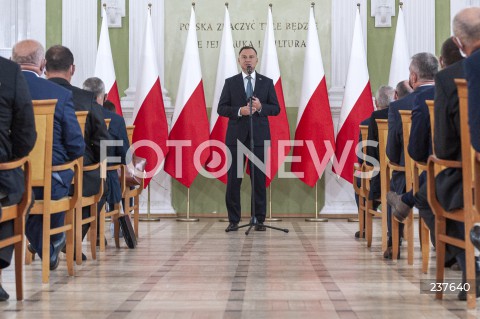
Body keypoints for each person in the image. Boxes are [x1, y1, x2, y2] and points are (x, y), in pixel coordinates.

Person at [12, 40, 85, 270]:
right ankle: (50, 242)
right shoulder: (59, 94)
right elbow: (76, 146)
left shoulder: (5, 90)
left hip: (10, 179)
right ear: (42, 64)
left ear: (13, 62)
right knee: (53, 183)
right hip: (50, 182)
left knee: (22, 192)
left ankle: (46, 242)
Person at [45, 45, 110, 260]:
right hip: (77, 172)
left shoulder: (29, 92)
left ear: (45, 67)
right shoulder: (85, 98)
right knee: (102, 185)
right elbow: (102, 139)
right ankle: (66, 240)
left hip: (33, 174)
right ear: (72, 69)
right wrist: (101, 165)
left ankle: (41, 238)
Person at [218, 46, 280, 232]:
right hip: (236, 139)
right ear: (239, 61)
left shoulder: (267, 83)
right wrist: (239, 111)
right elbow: (221, 108)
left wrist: (261, 107)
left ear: (257, 60)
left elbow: (276, 109)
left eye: (251, 57)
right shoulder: (230, 82)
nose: (248, 60)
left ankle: (258, 219)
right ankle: (234, 220)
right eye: (244, 57)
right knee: (234, 180)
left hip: (259, 138)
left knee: (258, 180)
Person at [384, 52, 438, 259]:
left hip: (412, 170)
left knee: (398, 177)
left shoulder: (398, 106)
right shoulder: (450, 94)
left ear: (413, 77)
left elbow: (393, 152)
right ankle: (440, 243)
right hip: (451, 168)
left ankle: (394, 243)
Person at [0, 56, 37, 301]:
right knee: (16, 193)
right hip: (2, 173)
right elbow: (26, 133)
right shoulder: (9, 71)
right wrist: (10, 160)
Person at [83, 77, 129, 243]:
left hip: (76, 175)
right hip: (106, 177)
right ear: (105, 96)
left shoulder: (76, 114)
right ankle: (98, 231)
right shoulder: (115, 120)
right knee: (114, 175)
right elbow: (125, 155)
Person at [354, 85, 395, 238]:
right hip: (400, 177)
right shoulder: (403, 118)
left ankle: (364, 226)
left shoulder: (366, 123)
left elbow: (363, 157)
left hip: (375, 177)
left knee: (359, 178)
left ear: (376, 103)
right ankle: (398, 230)